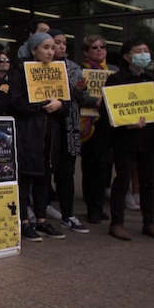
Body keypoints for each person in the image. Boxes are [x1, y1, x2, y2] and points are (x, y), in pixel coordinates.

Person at [102, 39, 154, 241]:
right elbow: (107, 111)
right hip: (125, 138)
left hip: (150, 138)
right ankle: (117, 223)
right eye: (138, 51)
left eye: (146, 50)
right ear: (127, 56)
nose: (144, 54)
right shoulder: (116, 79)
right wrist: (125, 124)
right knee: (122, 180)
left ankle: (149, 222)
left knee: (148, 182)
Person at [10, 32, 66, 241]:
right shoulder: (20, 69)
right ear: (34, 50)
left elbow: (66, 101)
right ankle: (24, 221)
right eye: (46, 47)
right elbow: (15, 101)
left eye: (53, 48)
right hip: (29, 133)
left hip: (50, 134)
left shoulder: (58, 71)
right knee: (25, 178)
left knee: (44, 178)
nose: (51, 52)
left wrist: (60, 104)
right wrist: (40, 104)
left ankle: (42, 220)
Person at [48, 29, 91, 233]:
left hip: (69, 128)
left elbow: (82, 100)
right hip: (47, 128)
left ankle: (68, 215)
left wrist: (80, 91)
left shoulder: (74, 68)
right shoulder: (36, 68)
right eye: (57, 43)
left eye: (64, 43)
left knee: (67, 174)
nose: (62, 47)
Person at [79, 34, 118, 224]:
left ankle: (99, 205)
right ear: (86, 52)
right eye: (95, 47)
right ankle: (93, 208)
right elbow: (76, 96)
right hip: (88, 125)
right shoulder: (81, 72)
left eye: (102, 46)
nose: (100, 50)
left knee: (104, 168)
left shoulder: (113, 72)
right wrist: (96, 101)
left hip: (108, 125)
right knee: (92, 168)